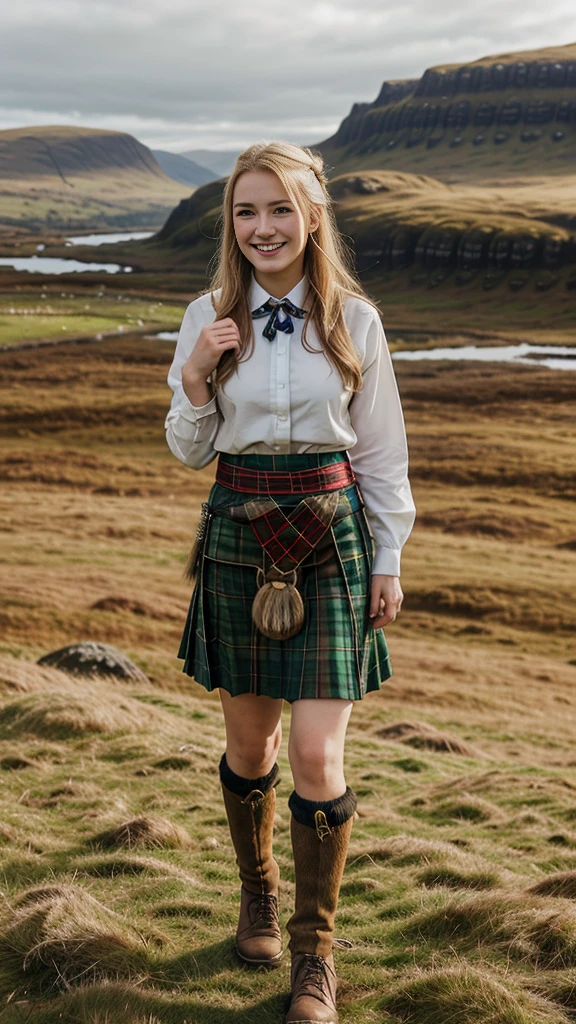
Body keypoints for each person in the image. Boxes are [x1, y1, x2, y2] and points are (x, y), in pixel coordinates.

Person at [164, 140, 416, 1024]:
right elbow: (190, 445)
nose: (263, 227)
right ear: (231, 223)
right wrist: (197, 373)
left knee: (315, 753)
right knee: (251, 750)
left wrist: (387, 556)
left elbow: (381, 452)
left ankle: (315, 956)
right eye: (246, 211)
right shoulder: (206, 310)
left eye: (280, 209)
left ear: (312, 217)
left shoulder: (357, 320)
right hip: (237, 527)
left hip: (333, 535)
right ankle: (259, 895)